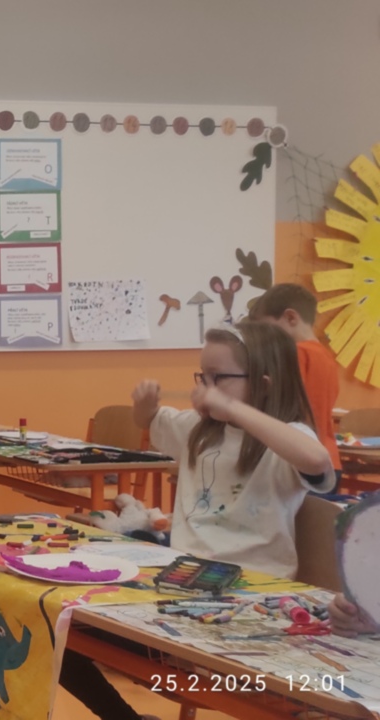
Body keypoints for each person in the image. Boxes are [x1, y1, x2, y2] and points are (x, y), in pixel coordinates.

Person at [59, 321, 337, 720]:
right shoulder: (199, 431)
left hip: (250, 606)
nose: (205, 388)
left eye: (218, 378)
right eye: (201, 377)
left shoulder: (285, 437)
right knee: (57, 622)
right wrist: (145, 403)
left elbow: (317, 460)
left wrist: (235, 409)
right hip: (183, 590)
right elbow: (148, 420)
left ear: (264, 384)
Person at [249, 283, 343, 476]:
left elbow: (280, 407)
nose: (264, 338)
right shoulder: (326, 356)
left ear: (291, 318)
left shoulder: (295, 353)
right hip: (329, 460)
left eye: (265, 329)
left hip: (298, 460)